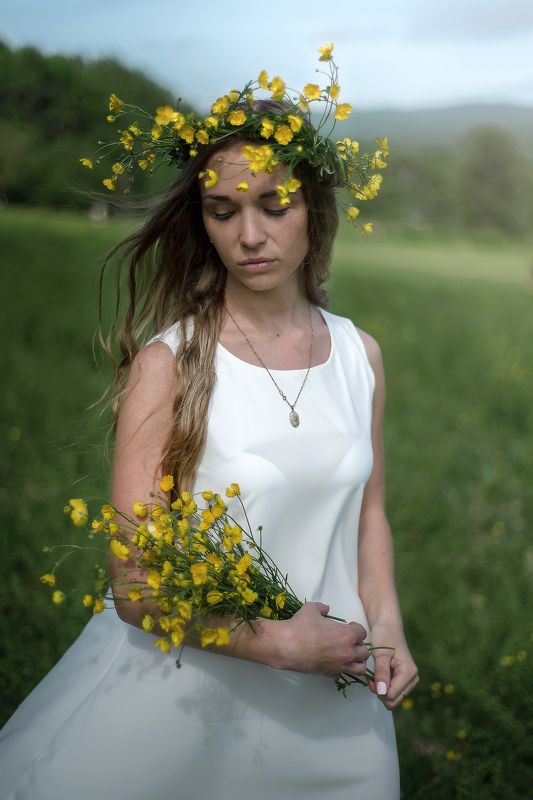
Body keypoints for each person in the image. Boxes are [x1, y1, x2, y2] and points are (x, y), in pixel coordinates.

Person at [0, 44, 418, 799]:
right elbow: (134, 587)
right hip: (182, 710)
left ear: (312, 207)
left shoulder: (361, 355)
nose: (248, 235)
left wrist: (386, 626)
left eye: (272, 205)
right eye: (222, 211)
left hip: (336, 710)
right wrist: (277, 645)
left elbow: (369, 517)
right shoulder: (172, 364)